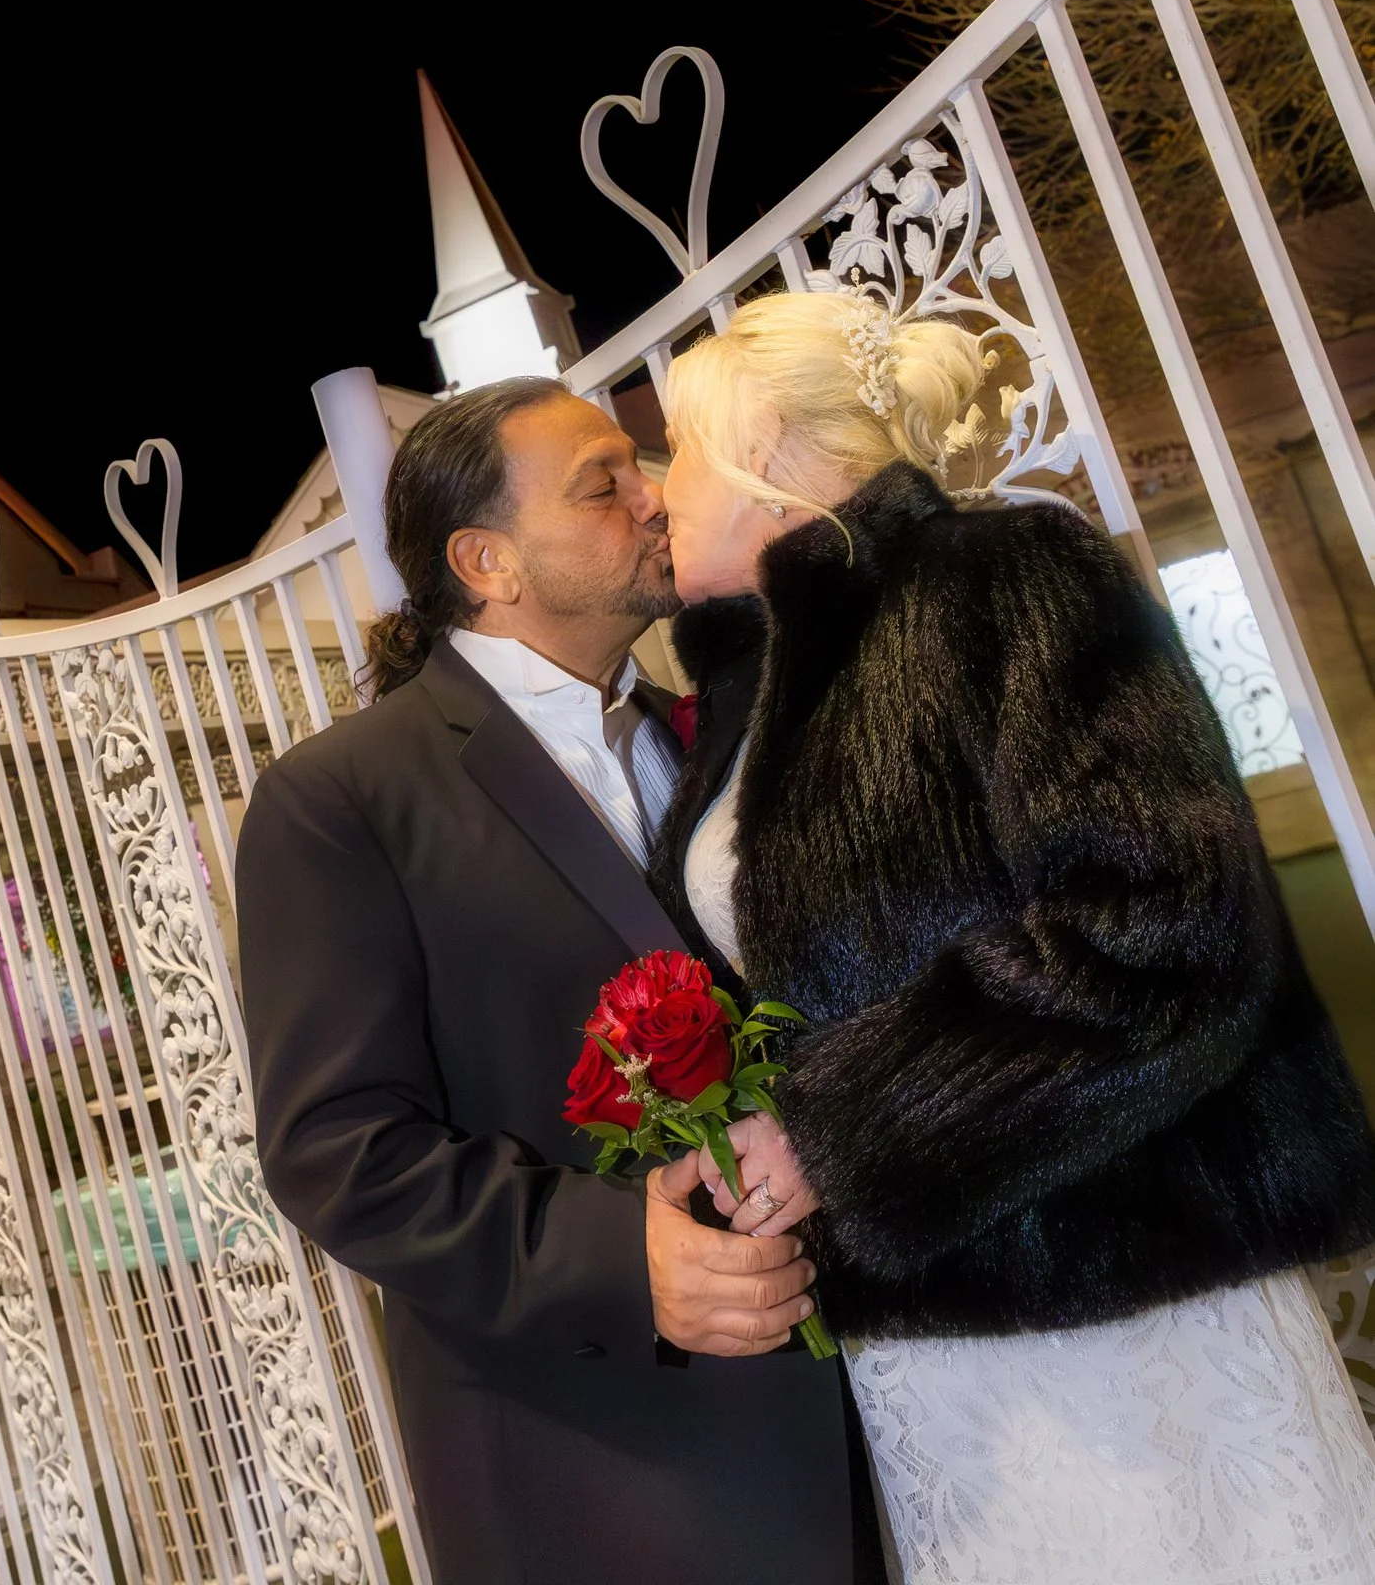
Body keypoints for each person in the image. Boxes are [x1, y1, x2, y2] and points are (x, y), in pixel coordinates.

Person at [651, 289, 1375, 1581]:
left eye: (678, 448)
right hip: (929, 1359)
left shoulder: (1004, 576)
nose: (658, 491)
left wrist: (844, 1129)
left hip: (1128, 1308)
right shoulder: (749, 693)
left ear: (761, 443)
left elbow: (1163, 924)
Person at [237, 377, 881, 1585]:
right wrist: (613, 1257)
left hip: (847, 1420)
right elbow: (335, 1146)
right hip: (598, 1468)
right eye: (605, 482)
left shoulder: (714, 729)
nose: (653, 499)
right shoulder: (343, 797)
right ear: (487, 560)